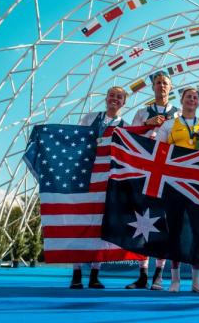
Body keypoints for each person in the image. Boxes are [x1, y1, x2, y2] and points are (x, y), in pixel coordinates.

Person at [71, 85, 128, 289]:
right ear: (106, 98)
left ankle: (95, 273)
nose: (115, 99)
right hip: (86, 176)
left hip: (107, 180)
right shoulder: (90, 118)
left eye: (119, 97)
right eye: (112, 95)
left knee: (100, 228)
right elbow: (76, 140)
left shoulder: (125, 126)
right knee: (79, 224)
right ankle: (76, 272)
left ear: (124, 102)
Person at [156, 87, 199, 293]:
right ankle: (175, 280)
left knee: (198, 230)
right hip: (175, 183)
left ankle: (197, 281)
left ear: (198, 103)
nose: (192, 100)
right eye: (188, 97)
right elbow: (159, 153)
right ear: (182, 100)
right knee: (175, 231)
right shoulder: (170, 125)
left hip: (198, 183)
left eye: (195, 97)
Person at [127, 71, 178, 290]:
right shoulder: (141, 113)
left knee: (163, 222)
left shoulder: (177, 114)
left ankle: (159, 273)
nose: (161, 86)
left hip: (168, 172)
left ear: (171, 87)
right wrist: (147, 125)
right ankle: (143, 274)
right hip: (145, 171)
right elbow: (129, 137)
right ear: (153, 87)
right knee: (143, 221)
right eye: (158, 83)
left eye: (165, 83)